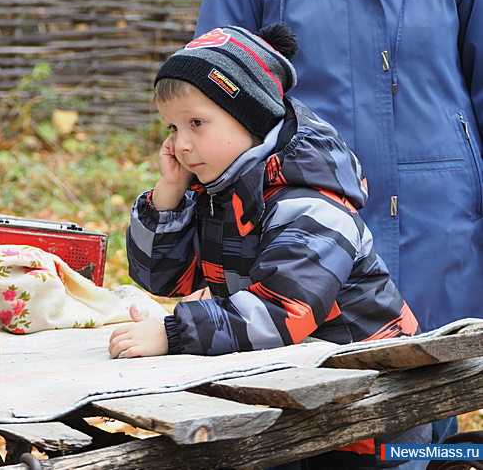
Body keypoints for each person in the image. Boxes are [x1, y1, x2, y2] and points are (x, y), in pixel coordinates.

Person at [195, 0, 483, 343]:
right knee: (320, 407)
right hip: (303, 226)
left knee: (429, 403)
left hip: (439, 216)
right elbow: (213, 101)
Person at [109, 24, 429, 468]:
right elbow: (162, 277)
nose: (180, 144)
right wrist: (169, 190)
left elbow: (282, 311)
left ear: (252, 118)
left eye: (197, 123)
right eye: (172, 127)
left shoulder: (310, 207)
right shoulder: (221, 193)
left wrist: (173, 332)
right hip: (301, 395)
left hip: (373, 411)